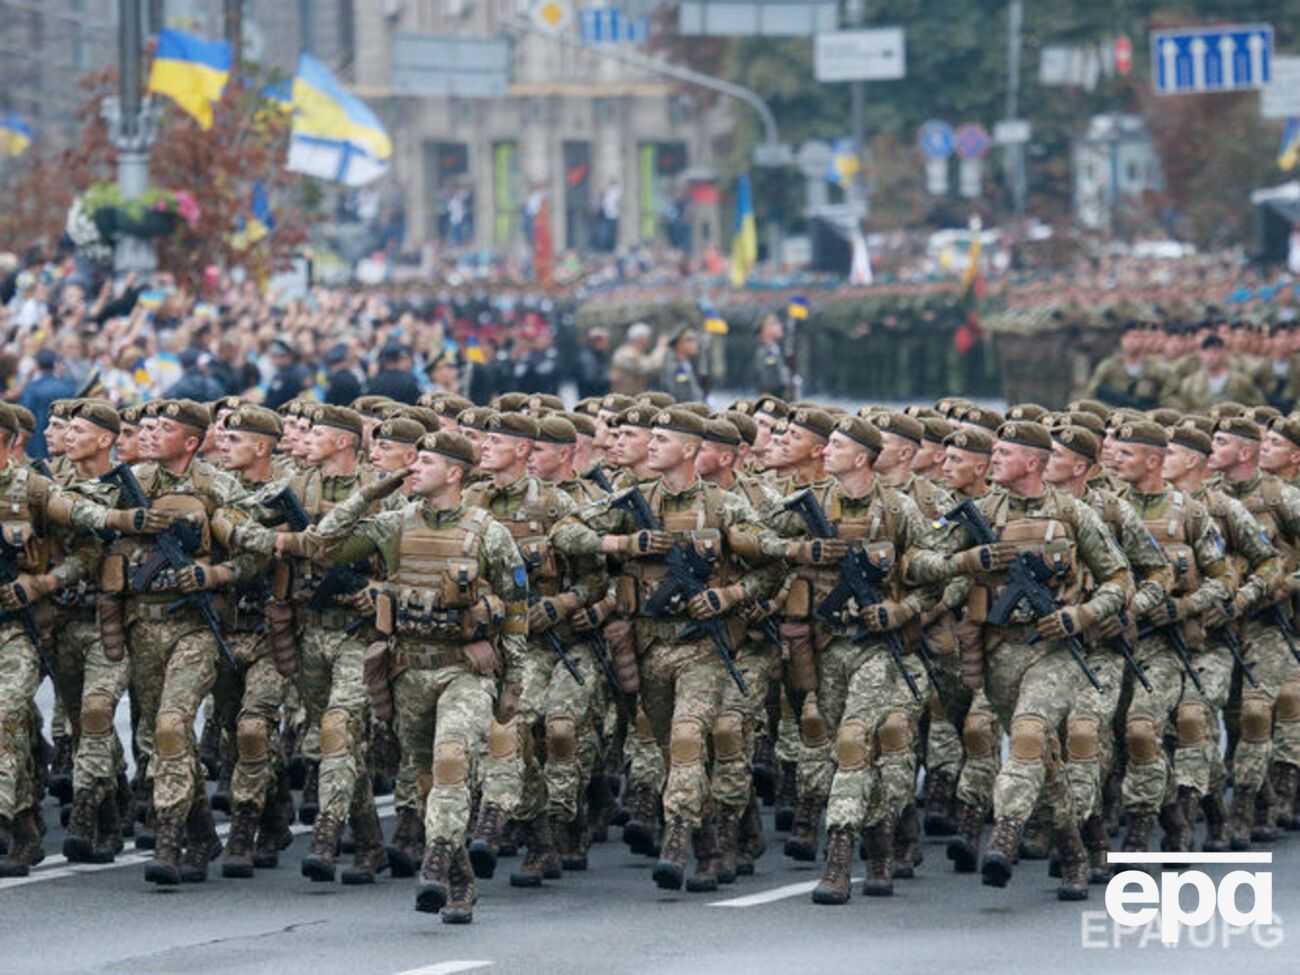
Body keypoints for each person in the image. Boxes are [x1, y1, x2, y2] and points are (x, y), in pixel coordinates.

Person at [296, 430, 527, 924]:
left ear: (455, 473)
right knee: (428, 782)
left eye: (425, 461)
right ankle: (461, 883)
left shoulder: (488, 532)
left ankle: (436, 864)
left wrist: (513, 682)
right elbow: (323, 546)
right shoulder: (393, 524)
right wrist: (370, 493)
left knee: (450, 764)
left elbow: (516, 610)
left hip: (464, 672)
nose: (414, 468)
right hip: (408, 672)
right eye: (414, 461)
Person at [18, 348, 78, 459]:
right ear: (55, 364)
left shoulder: (31, 388)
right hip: (65, 441)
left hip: (37, 444)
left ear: (37, 365)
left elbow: (24, 416)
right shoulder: (69, 387)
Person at [609, 323, 666, 397]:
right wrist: (661, 347)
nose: (649, 341)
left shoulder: (639, 354)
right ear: (641, 338)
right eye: (647, 338)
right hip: (622, 401)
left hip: (632, 399)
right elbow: (649, 366)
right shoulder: (625, 353)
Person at [752, 315, 792, 399]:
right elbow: (766, 381)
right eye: (774, 324)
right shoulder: (764, 353)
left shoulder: (777, 349)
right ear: (765, 330)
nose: (780, 326)